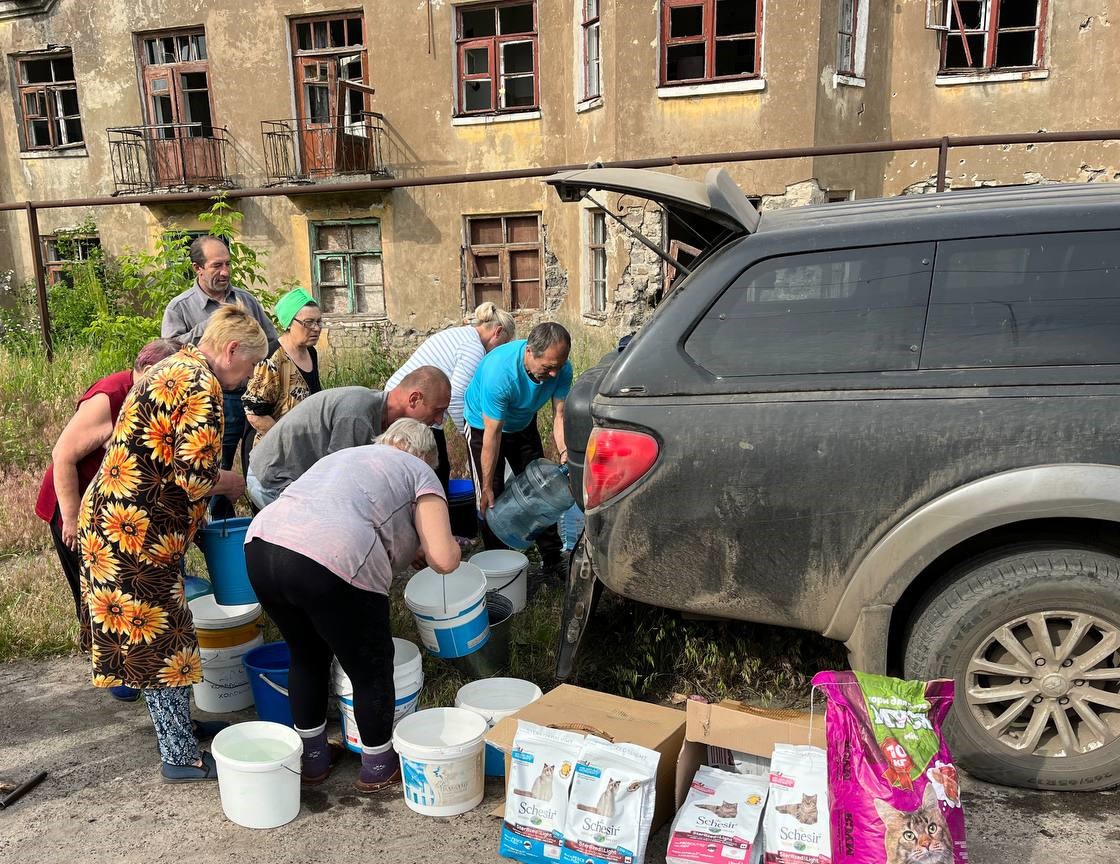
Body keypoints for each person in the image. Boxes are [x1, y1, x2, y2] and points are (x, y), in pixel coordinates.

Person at [77, 305, 268, 782]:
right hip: (133, 534)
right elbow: (193, 476)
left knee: (167, 634)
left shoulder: (172, 364)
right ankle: (179, 755)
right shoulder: (201, 386)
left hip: (118, 522)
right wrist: (233, 483)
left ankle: (180, 725)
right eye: (248, 367)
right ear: (231, 350)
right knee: (159, 643)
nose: (246, 380)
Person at [244, 419, 460, 791]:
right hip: (332, 557)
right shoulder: (419, 469)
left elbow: (361, 512)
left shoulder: (348, 455)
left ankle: (313, 759)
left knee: (307, 654)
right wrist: (452, 544)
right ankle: (377, 765)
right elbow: (443, 559)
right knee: (370, 666)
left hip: (262, 546)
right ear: (425, 454)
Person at [35, 338, 179, 700]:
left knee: (118, 592)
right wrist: (70, 520)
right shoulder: (110, 397)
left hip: (109, 511)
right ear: (146, 372)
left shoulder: (152, 396)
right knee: (94, 595)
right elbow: (62, 456)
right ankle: (115, 673)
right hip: (72, 504)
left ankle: (126, 668)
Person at [161, 235, 278, 518]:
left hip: (253, 399)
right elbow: (168, 352)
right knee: (215, 467)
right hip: (215, 398)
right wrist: (215, 325)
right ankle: (217, 529)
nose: (224, 272)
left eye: (227, 264)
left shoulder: (245, 300)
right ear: (197, 268)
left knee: (259, 464)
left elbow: (271, 342)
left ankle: (259, 525)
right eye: (216, 265)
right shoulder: (180, 308)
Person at [245, 367, 451, 510]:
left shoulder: (378, 414)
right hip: (272, 479)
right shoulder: (359, 416)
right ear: (414, 399)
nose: (439, 420)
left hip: (293, 476)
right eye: (437, 410)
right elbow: (341, 486)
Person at [463, 321, 572, 584]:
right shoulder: (499, 372)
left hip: (522, 423)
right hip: (483, 427)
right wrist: (486, 484)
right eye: (548, 368)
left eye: (559, 366)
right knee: (492, 496)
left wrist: (565, 451)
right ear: (529, 352)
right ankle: (498, 568)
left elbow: (559, 415)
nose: (555, 374)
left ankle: (552, 559)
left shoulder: (561, 368)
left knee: (544, 490)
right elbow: (493, 434)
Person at [384, 301, 515, 491]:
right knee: (434, 471)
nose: (498, 352)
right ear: (497, 332)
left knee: (434, 468)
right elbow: (456, 398)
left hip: (406, 401)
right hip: (411, 407)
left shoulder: (461, 334)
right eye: (503, 345)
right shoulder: (473, 349)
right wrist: (471, 435)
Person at [241, 287, 323, 480]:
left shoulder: (310, 352)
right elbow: (255, 414)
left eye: (319, 321)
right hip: (269, 455)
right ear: (288, 323)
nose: (316, 328)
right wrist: (289, 445)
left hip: (299, 453)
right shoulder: (270, 358)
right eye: (308, 322)